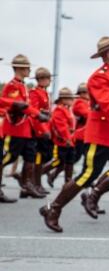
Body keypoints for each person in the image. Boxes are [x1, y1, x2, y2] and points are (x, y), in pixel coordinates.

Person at [41, 36, 109, 232]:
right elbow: (107, 106)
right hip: (102, 134)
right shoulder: (99, 77)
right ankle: (53, 209)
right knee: (88, 175)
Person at [1, 54, 46, 199]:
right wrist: (37, 114)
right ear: (20, 68)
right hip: (15, 128)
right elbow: (20, 106)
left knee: (30, 156)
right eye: (27, 68)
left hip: (25, 129)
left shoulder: (22, 86)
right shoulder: (12, 86)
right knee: (8, 157)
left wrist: (39, 113)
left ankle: (27, 186)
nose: (29, 71)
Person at [43, 87, 77, 186]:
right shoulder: (59, 110)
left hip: (70, 141)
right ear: (63, 100)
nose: (72, 100)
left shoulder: (67, 110)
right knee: (58, 161)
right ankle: (36, 176)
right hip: (62, 141)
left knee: (69, 162)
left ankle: (68, 184)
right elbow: (61, 127)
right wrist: (67, 139)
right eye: (70, 98)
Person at [29, 67, 53, 196]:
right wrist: (41, 130)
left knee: (42, 158)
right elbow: (34, 112)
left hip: (45, 127)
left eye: (47, 78)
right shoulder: (35, 92)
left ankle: (36, 184)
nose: (46, 81)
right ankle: (34, 184)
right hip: (38, 129)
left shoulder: (45, 93)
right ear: (38, 80)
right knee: (36, 159)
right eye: (42, 78)